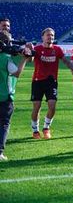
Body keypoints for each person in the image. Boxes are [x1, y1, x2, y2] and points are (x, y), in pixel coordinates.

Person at [30, 28, 73, 139]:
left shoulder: (57, 49)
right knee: (37, 107)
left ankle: (46, 128)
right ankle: (35, 130)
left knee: (52, 105)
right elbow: (29, 60)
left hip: (51, 81)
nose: (50, 37)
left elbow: (66, 61)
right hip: (37, 81)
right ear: (42, 37)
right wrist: (29, 52)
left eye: (52, 35)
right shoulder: (37, 49)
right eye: (48, 35)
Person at [0, 26, 31, 161]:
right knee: (4, 124)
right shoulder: (6, 58)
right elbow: (16, 73)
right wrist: (23, 59)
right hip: (4, 96)